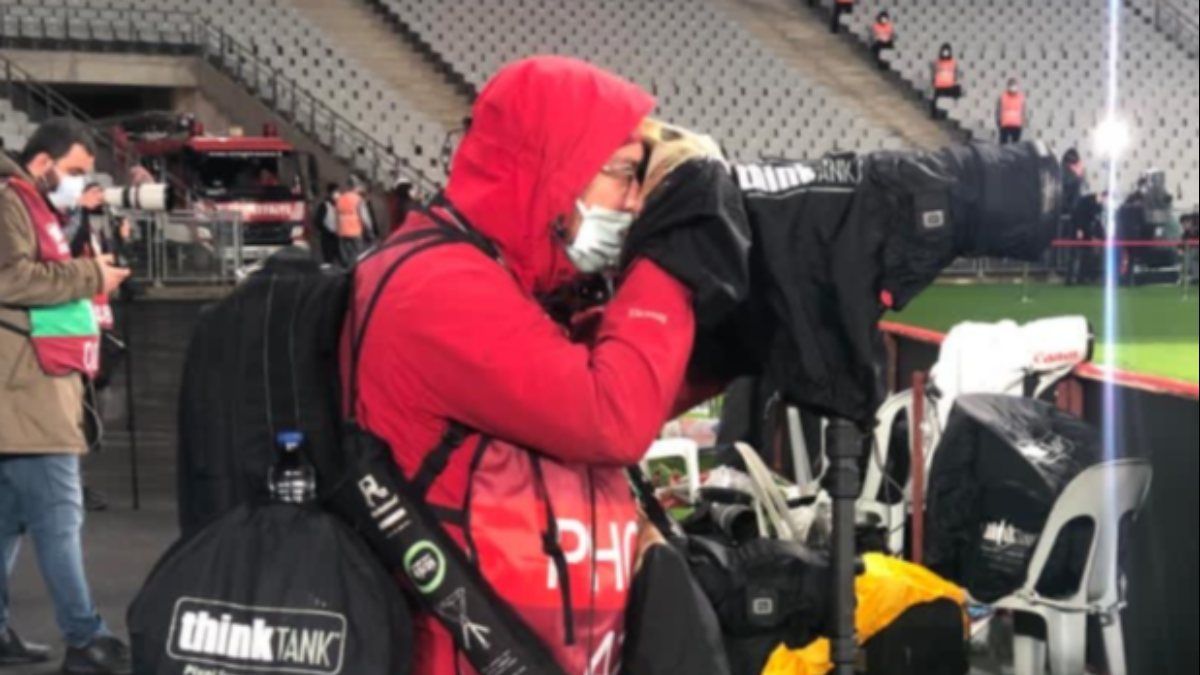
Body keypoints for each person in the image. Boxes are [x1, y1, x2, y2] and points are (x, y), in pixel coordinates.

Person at [346, 56, 698, 675]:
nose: (634, 202)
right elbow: (612, 416)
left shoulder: (500, 278)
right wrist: (672, 259)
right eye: (623, 173)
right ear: (551, 168)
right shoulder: (439, 288)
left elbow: (615, 389)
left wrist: (734, 341)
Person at [0, 118, 132, 674]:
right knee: (59, 516)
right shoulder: (10, 202)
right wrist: (90, 276)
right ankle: (85, 638)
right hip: (27, 389)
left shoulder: (26, 203)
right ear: (43, 163)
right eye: (75, 171)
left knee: (8, 520)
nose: (80, 182)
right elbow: (10, 279)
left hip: (23, 386)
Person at [1066, 191, 1106, 285]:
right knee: (1074, 255)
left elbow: (1095, 221)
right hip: (1079, 231)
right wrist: (1079, 228)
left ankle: (1080, 278)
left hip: (1087, 232)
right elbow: (1078, 215)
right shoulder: (1086, 201)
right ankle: (1070, 278)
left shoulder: (1097, 206)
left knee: (1085, 255)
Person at [334, 177, 365, 267]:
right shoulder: (358, 199)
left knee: (346, 251)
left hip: (342, 229)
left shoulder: (340, 198)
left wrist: (337, 228)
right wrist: (368, 229)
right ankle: (357, 267)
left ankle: (347, 267)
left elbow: (336, 214)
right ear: (355, 187)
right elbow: (363, 215)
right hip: (355, 228)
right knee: (358, 252)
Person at [930, 42, 962, 119]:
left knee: (958, 89)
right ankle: (935, 114)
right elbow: (933, 73)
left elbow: (955, 74)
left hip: (949, 86)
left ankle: (952, 109)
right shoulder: (937, 62)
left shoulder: (953, 63)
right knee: (935, 98)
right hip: (939, 87)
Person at [312, 182, 340, 265]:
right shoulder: (324, 205)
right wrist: (327, 231)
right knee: (329, 261)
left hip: (338, 236)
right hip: (327, 237)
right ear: (330, 193)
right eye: (335, 192)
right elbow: (318, 221)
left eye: (338, 192)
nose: (337, 194)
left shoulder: (339, 204)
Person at [996, 77, 1026, 144]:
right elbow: (998, 110)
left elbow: (1023, 111)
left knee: (1015, 145)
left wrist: (1023, 122)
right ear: (1008, 86)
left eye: (1014, 85)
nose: (1013, 88)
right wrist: (998, 121)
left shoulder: (1021, 97)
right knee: (1003, 145)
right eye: (1011, 85)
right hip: (1005, 124)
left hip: (1017, 125)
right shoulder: (1002, 97)